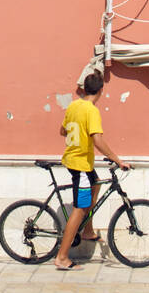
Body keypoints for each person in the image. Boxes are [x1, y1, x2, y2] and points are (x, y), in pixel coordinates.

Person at [54, 71, 130, 271]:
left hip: (76, 161)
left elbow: (62, 131)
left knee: (95, 183)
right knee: (80, 209)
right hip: (79, 164)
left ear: (85, 89)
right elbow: (97, 140)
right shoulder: (91, 110)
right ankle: (62, 257)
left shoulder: (73, 106)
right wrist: (117, 160)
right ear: (101, 91)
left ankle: (87, 231)